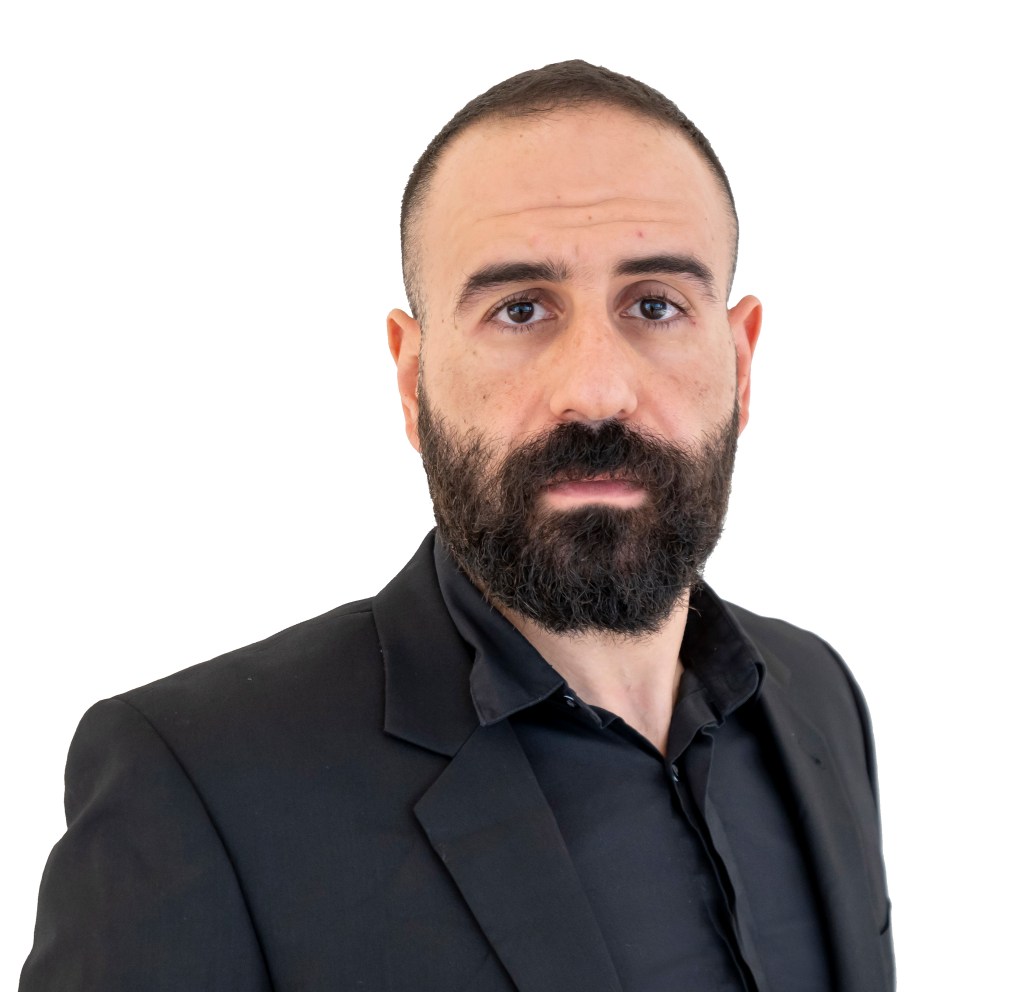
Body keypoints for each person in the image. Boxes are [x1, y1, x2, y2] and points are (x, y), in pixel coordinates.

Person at [20, 60, 894, 992]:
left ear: (741, 363)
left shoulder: (817, 695)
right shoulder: (194, 783)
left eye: (655, 305)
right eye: (520, 310)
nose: (596, 391)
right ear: (412, 379)